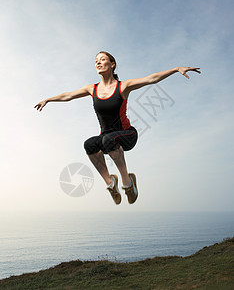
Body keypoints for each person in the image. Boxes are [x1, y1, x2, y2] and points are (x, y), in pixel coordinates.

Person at [34, 51, 201, 205]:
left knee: (109, 139)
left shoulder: (123, 86)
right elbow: (68, 96)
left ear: (112, 64)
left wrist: (176, 69)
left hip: (127, 135)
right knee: (89, 144)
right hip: (107, 139)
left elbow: (152, 78)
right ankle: (110, 183)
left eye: (102, 59)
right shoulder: (92, 89)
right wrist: (48, 99)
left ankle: (128, 183)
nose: (98, 63)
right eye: (96, 61)